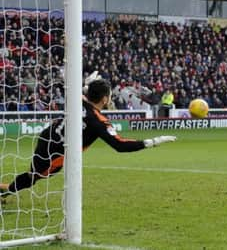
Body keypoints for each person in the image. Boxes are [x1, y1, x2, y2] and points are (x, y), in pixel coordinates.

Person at [0, 79, 176, 198]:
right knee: (33, 177)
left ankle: (6, 189)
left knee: (33, 176)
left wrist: (85, 85)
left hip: (47, 136)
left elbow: (77, 91)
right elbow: (120, 145)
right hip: (56, 152)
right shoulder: (98, 121)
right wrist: (153, 142)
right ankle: (5, 190)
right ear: (105, 98)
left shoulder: (80, 101)